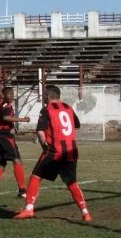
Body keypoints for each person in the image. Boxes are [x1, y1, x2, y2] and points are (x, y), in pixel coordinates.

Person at [14, 85, 92, 222]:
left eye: (43, 94)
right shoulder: (68, 107)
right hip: (71, 151)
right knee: (72, 183)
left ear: (47, 96)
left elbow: (40, 131)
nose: (43, 97)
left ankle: (29, 209)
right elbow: (76, 125)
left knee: (36, 177)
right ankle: (85, 213)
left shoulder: (46, 109)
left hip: (54, 151)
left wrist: (44, 145)